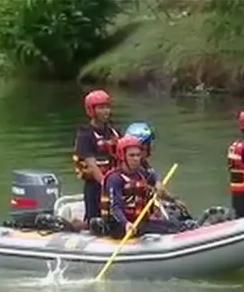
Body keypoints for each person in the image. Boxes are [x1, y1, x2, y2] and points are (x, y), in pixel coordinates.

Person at [98, 136, 182, 239]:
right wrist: (126, 223)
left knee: (173, 225)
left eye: (138, 155)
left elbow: (154, 176)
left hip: (139, 221)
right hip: (120, 225)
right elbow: (115, 208)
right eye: (131, 155)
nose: (136, 159)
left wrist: (158, 183)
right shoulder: (115, 178)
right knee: (170, 228)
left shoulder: (140, 173)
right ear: (122, 156)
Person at [72, 89, 121, 223]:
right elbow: (92, 165)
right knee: (94, 220)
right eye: (101, 108)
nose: (106, 111)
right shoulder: (85, 135)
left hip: (115, 182)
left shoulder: (114, 131)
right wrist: (106, 186)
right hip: (95, 186)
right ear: (91, 111)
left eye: (107, 107)